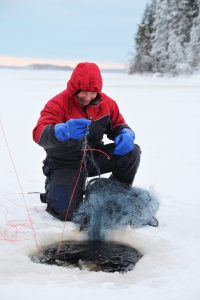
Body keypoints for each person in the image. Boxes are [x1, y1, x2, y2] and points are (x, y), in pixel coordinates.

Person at [33, 62, 141, 221]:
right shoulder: (58, 103)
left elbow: (119, 124)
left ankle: (115, 193)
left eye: (93, 93)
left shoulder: (107, 104)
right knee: (65, 213)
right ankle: (54, 190)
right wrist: (62, 131)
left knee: (132, 151)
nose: (88, 97)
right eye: (83, 92)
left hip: (93, 159)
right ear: (74, 88)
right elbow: (38, 133)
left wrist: (126, 133)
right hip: (64, 163)